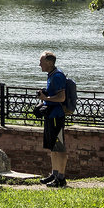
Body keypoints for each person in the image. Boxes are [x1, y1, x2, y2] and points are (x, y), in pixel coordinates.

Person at [36, 50, 69, 187]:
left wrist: (45, 98)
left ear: (49, 63)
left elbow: (62, 98)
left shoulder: (57, 76)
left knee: (59, 147)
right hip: (50, 115)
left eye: (41, 62)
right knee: (53, 147)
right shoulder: (51, 75)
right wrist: (45, 95)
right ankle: (54, 174)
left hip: (56, 116)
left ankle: (61, 178)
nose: (39, 64)